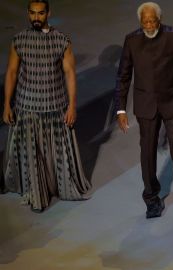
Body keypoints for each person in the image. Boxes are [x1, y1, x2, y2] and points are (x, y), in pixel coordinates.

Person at [2, 0, 91, 212]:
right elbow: (12, 72)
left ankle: (54, 186)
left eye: (40, 13)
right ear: (27, 14)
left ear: (48, 13)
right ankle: (36, 193)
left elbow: (70, 74)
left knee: (54, 155)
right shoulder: (19, 40)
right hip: (27, 106)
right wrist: (7, 103)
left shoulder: (61, 40)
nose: (36, 17)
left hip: (55, 105)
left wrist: (72, 106)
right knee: (32, 155)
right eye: (32, 13)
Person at [115, 2, 173, 223]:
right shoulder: (132, 40)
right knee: (147, 153)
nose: (149, 25)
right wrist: (121, 109)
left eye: (152, 21)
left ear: (159, 20)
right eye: (145, 22)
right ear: (140, 21)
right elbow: (123, 76)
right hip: (145, 104)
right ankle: (152, 200)